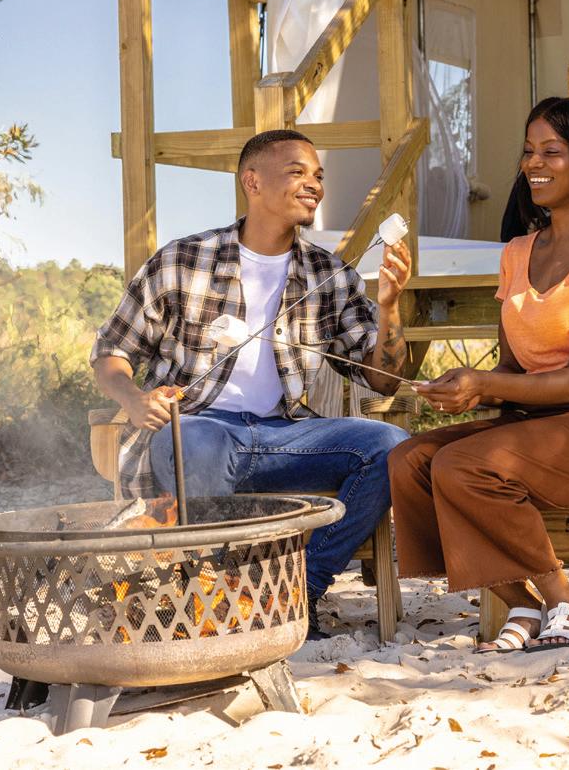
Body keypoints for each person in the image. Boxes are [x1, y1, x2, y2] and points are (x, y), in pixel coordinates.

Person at [91, 129, 411, 631]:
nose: (314, 184)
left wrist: (389, 307)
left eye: (319, 175)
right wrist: (132, 399)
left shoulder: (328, 273)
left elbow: (385, 380)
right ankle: (212, 595)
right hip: (198, 431)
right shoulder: (183, 260)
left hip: (284, 437)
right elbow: (111, 353)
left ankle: (296, 594)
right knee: (198, 442)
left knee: (389, 445)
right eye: (297, 172)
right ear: (252, 182)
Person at [390, 97, 569, 652]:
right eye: (529, 150)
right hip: (535, 421)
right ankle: (523, 603)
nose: (533, 163)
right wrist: (466, 391)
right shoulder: (516, 253)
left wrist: (484, 384)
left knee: (463, 465)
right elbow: (512, 370)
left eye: (551, 152)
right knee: (410, 461)